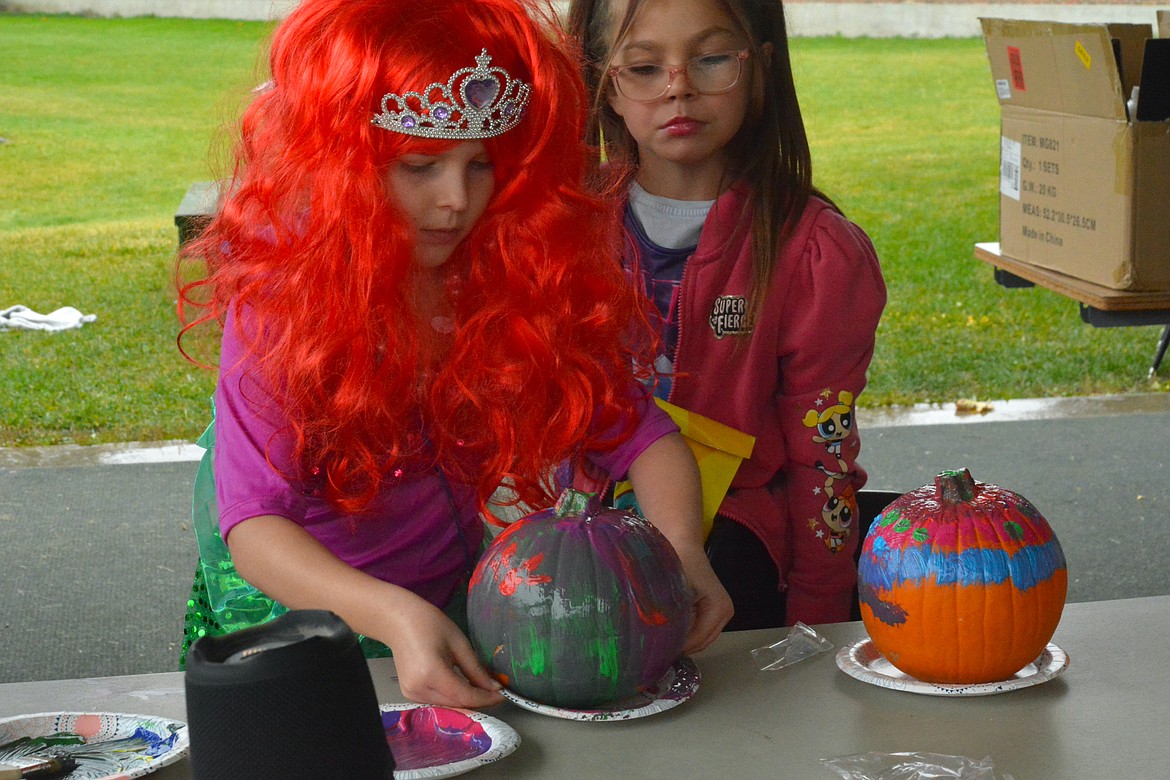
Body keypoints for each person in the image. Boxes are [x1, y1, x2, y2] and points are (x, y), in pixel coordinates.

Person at [176, 0, 732, 709]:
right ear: (343, 170)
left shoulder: (500, 284)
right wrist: (392, 615)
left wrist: (681, 551)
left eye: (480, 165)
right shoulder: (283, 309)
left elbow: (643, 437)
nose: (455, 200)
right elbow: (258, 528)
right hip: (304, 624)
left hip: (447, 601)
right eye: (420, 166)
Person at [567, 0, 887, 627]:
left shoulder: (815, 253)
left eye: (712, 58)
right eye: (644, 67)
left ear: (760, 68)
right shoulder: (561, 229)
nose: (678, 87)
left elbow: (821, 459)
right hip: (575, 538)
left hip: (736, 552)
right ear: (605, 83)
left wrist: (817, 619)